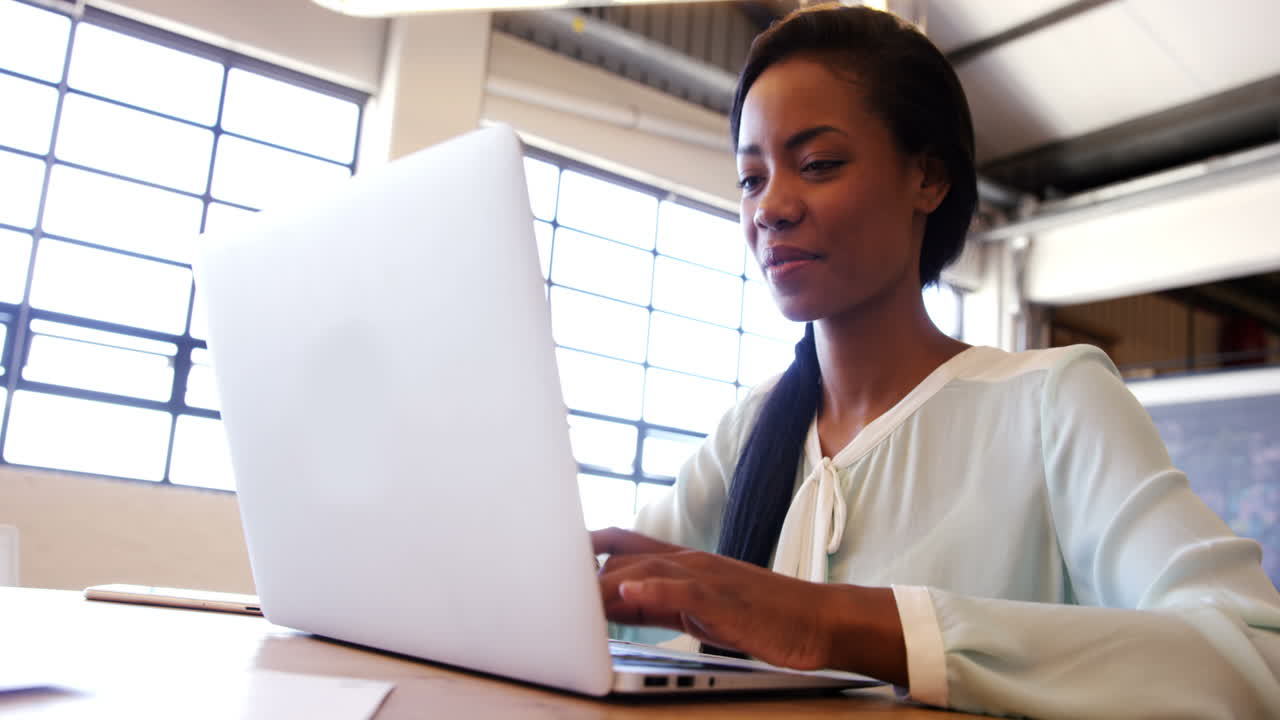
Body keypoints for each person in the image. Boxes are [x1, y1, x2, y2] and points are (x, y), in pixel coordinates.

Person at [591, 4, 1280, 718]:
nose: (770, 208)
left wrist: (831, 622)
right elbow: (610, 615)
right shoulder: (753, 429)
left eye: (818, 164)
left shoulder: (1049, 403)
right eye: (749, 178)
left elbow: (1250, 655)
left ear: (927, 179)